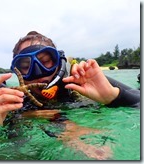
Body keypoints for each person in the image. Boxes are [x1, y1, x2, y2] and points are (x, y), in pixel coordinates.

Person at [7, 31, 140, 160]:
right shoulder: (18, 103)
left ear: (59, 61)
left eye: (46, 61)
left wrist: (112, 96)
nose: (38, 71)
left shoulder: (82, 84)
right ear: (17, 72)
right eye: (25, 65)